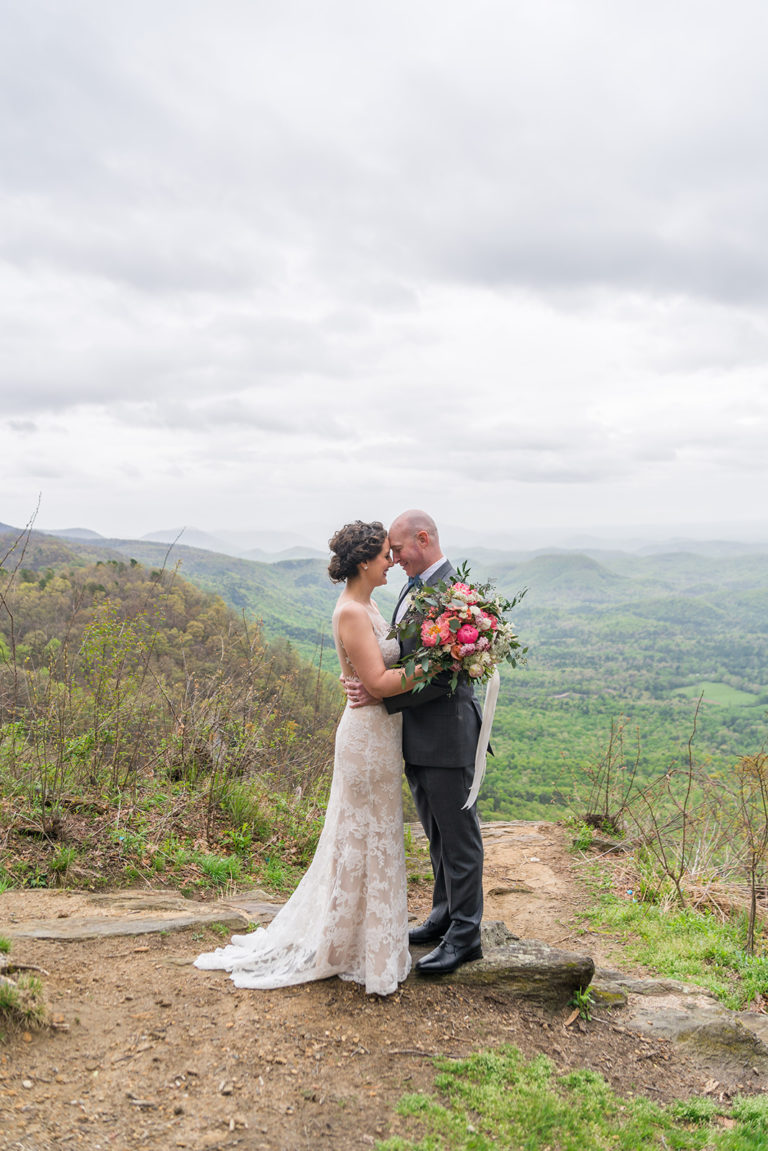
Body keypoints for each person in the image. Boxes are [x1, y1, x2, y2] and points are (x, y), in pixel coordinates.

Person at [195, 520, 421, 997]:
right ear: (364, 562)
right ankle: (345, 945)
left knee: (374, 833)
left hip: (383, 735)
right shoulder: (352, 614)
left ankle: (364, 942)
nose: (391, 561)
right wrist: (430, 668)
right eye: (385, 554)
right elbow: (378, 685)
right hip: (366, 739)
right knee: (360, 835)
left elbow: (378, 674)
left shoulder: (368, 604)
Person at [345, 510, 485, 975]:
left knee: (460, 839)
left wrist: (381, 689)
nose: (394, 558)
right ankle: (443, 916)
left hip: (446, 735)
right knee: (438, 835)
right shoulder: (414, 586)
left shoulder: (453, 593)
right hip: (417, 736)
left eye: (398, 550)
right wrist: (375, 682)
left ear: (423, 539)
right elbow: (408, 654)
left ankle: (466, 934)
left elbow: (446, 673)